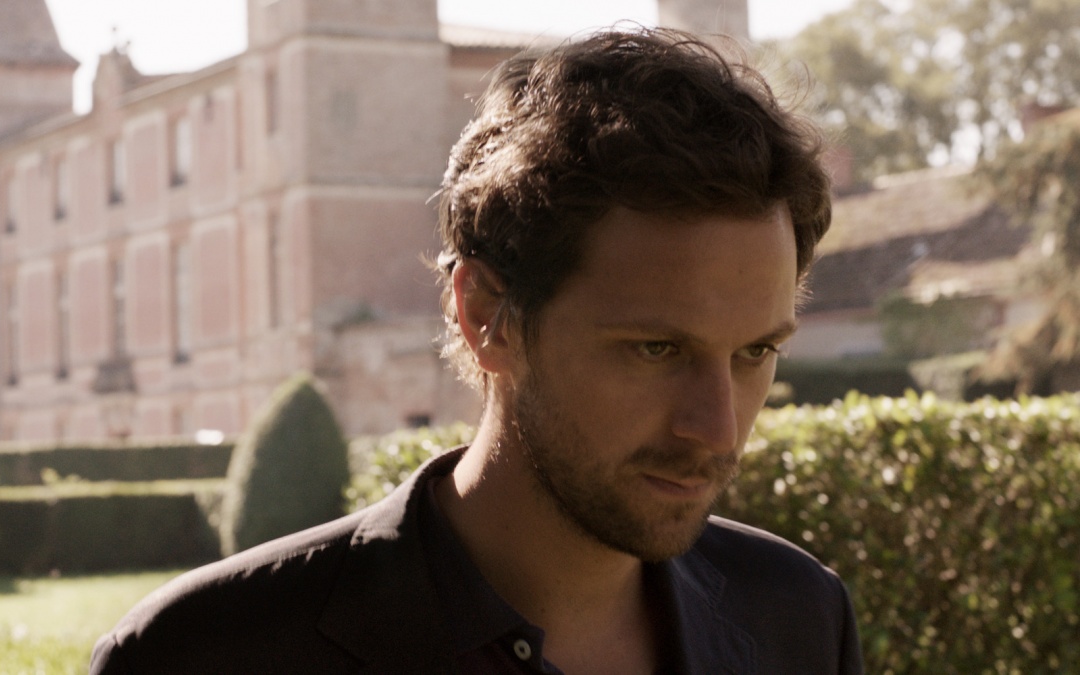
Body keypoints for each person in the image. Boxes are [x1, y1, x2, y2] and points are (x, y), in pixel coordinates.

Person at [91, 27, 863, 674]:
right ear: (485, 313)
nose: (718, 429)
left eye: (755, 351)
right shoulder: (197, 656)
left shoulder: (800, 618)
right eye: (657, 348)